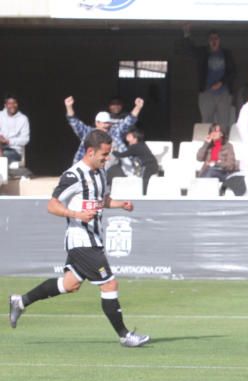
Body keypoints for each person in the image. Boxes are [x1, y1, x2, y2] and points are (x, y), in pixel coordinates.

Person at [8, 130, 149, 348]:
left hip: (93, 239)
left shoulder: (100, 173)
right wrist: (76, 215)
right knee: (110, 283)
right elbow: (52, 205)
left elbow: (100, 200)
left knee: (70, 284)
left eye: (109, 153)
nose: (107, 158)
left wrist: (120, 204)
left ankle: (21, 301)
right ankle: (124, 335)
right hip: (81, 241)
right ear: (90, 152)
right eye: (104, 154)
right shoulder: (74, 176)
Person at [65, 96, 142, 168]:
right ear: (97, 123)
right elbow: (74, 121)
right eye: (104, 123)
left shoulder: (114, 132)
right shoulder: (88, 132)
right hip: (88, 167)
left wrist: (138, 107)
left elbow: (129, 121)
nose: (106, 125)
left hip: (108, 167)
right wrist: (69, 106)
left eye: (108, 123)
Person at [183, 25, 237, 127]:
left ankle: (222, 143)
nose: (214, 41)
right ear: (208, 41)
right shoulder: (203, 52)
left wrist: (221, 82)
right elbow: (189, 50)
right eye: (211, 39)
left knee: (224, 122)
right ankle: (207, 142)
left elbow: (233, 72)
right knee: (206, 122)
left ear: (219, 40)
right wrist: (187, 33)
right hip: (207, 92)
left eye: (216, 38)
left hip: (224, 93)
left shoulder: (226, 54)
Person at [196, 123, 242, 194]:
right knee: (209, 172)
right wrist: (206, 144)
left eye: (216, 131)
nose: (213, 133)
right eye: (212, 131)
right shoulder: (208, 146)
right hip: (208, 171)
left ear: (221, 134)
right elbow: (199, 158)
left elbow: (230, 165)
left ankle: (203, 194)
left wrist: (216, 163)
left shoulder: (228, 146)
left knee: (210, 171)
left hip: (223, 172)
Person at [111, 128, 159, 194]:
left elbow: (120, 155)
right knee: (142, 179)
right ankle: (143, 193)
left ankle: (143, 194)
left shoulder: (134, 147)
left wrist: (113, 151)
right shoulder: (142, 144)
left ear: (135, 139)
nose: (127, 136)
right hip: (153, 165)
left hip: (148, 166)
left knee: (144, 180)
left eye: (129, 136)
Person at [0, 94, 30, 164]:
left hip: (14, 150)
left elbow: (25, 140)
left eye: (14, 103)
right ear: (5, 105)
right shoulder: (0, 115)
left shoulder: (23, 119)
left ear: (17, 104)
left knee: (5, 155)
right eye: (9, 103)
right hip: (0, 148)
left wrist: (8, 141)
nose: (12, 106)